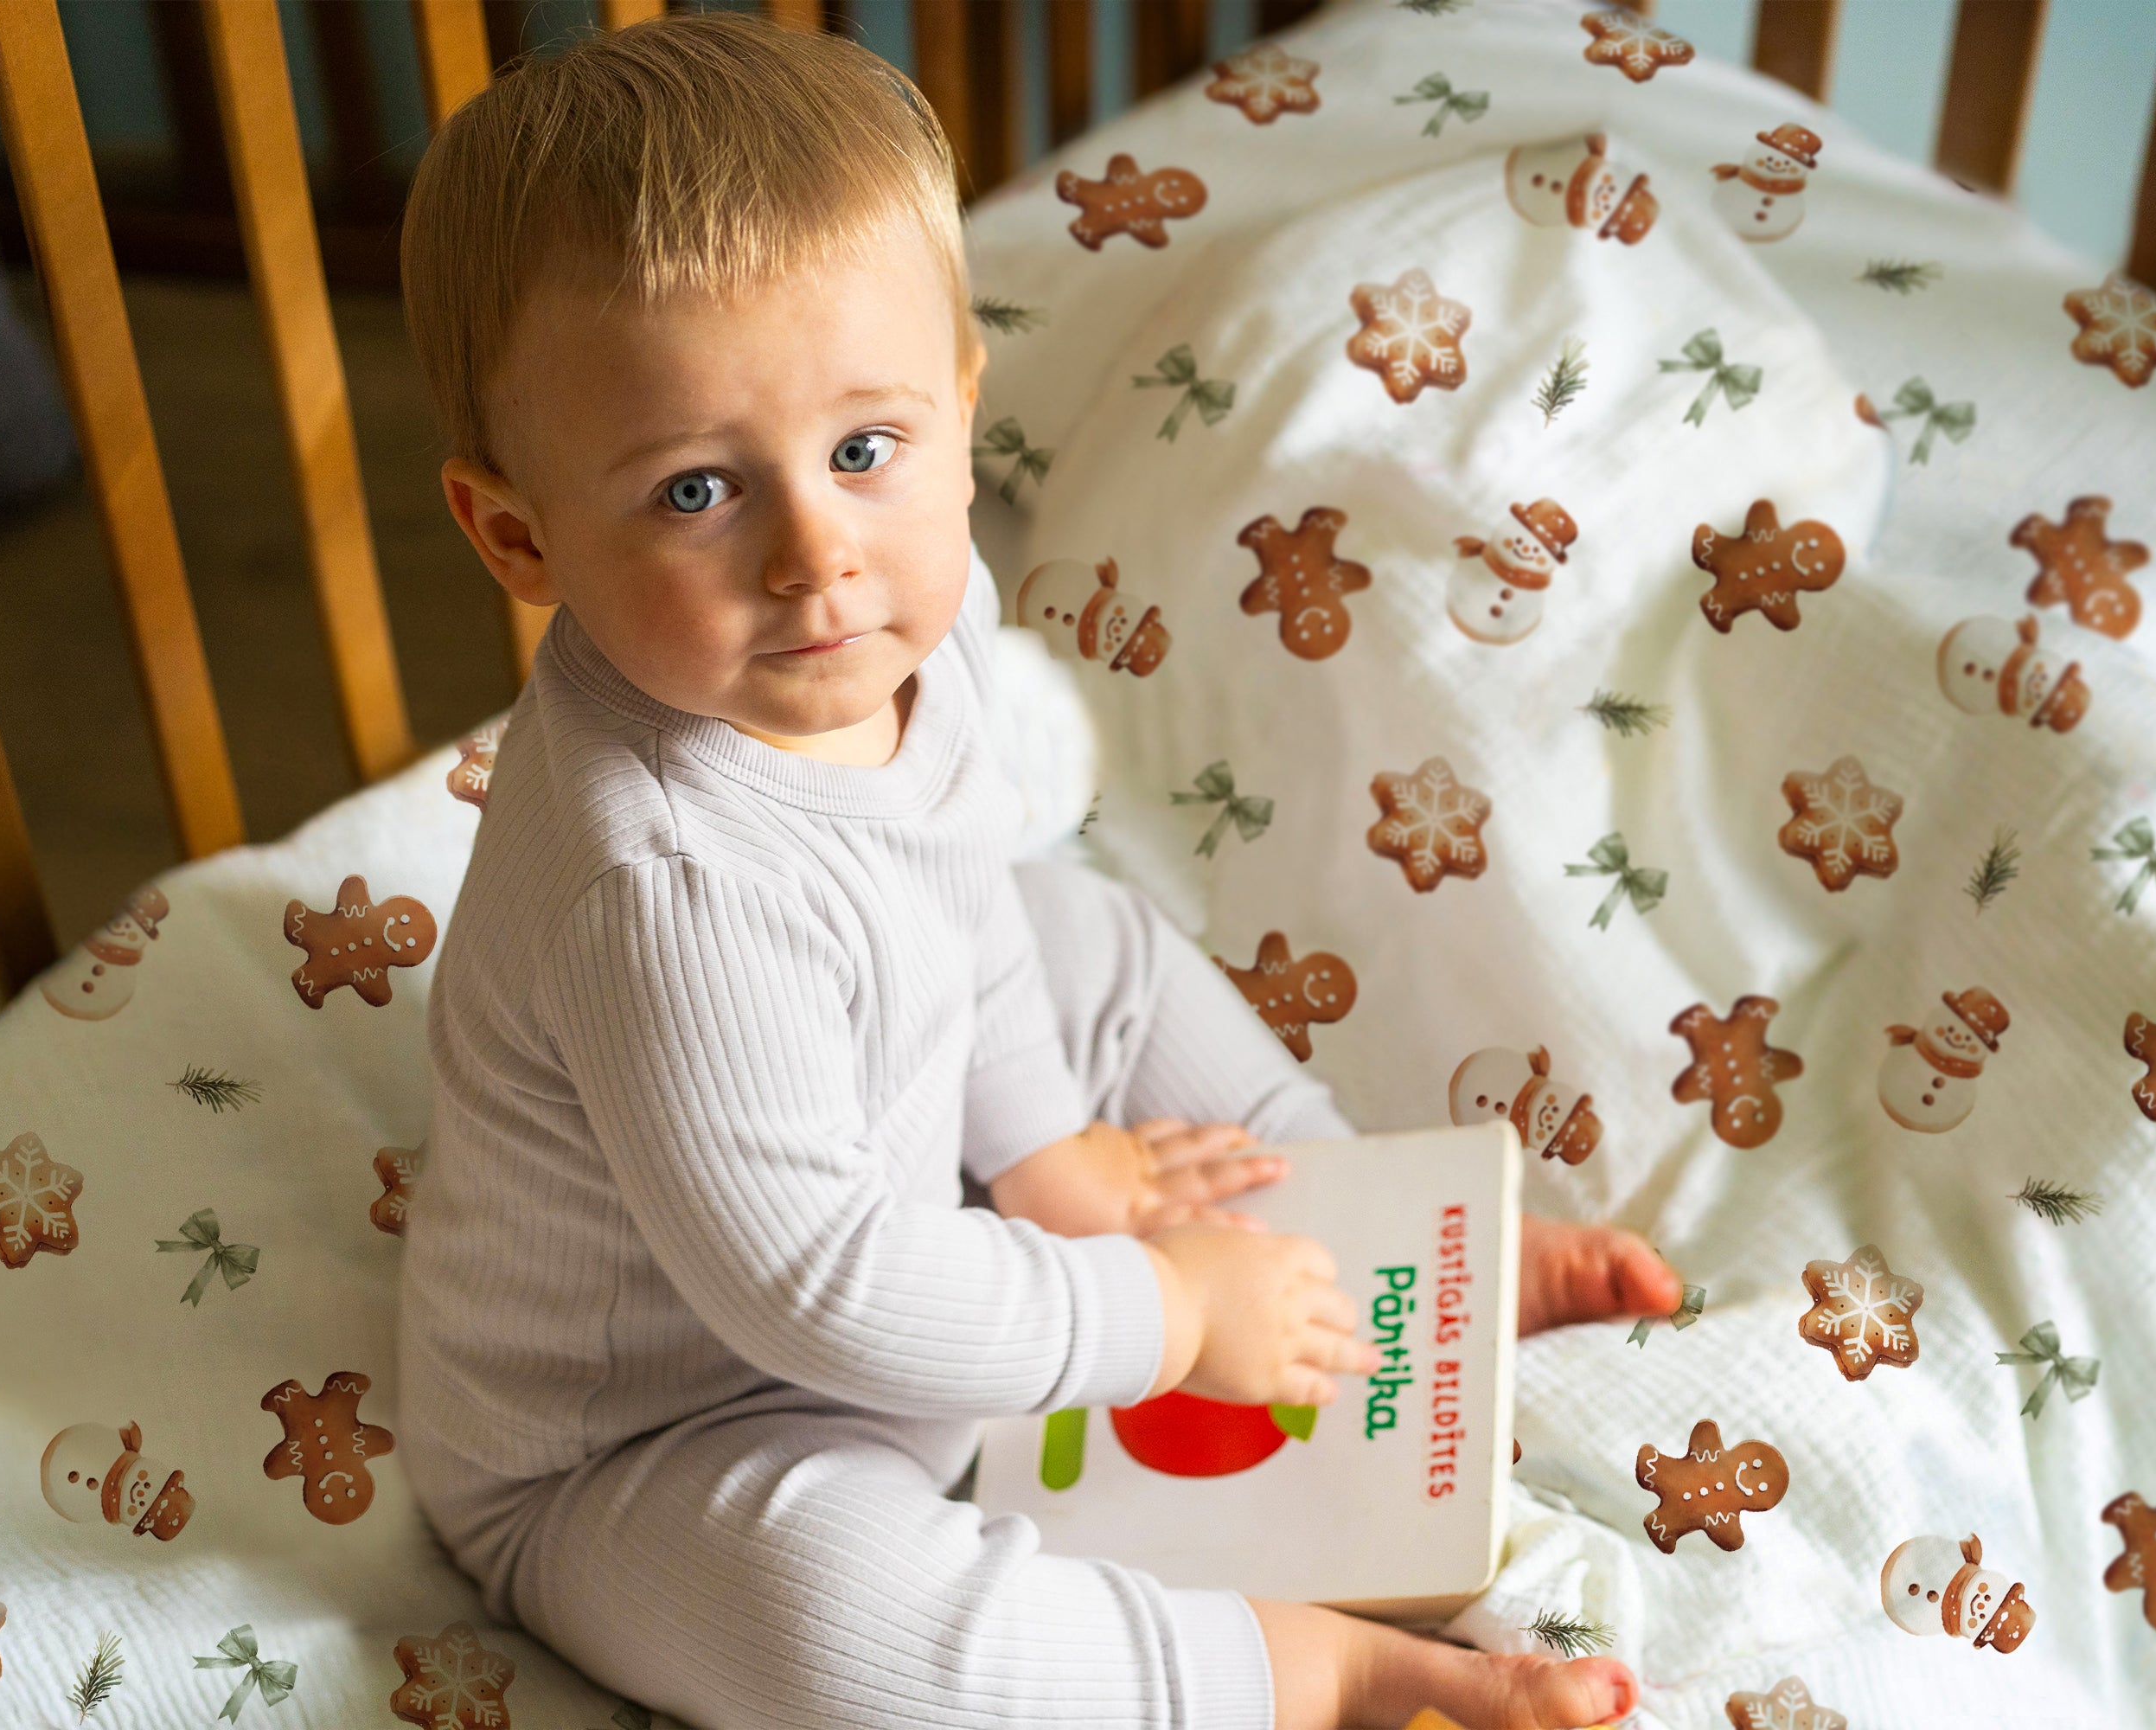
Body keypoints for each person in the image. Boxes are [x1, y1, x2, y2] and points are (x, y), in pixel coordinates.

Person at [394, 16, 1681, 1728]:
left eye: (867, 450)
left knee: (1090, 936)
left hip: (914, 1183)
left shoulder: (902, 634)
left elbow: (957, 903)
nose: (816, 556)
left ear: (956, 405)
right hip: (668, 1427)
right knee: (835, 1628)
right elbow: (823, 1293)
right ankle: (1331, 1670)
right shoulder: (663, 889)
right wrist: (1153, 1313)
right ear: (521, 536)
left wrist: (1055, 1150)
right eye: (697, 490)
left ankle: (1377, 1250)